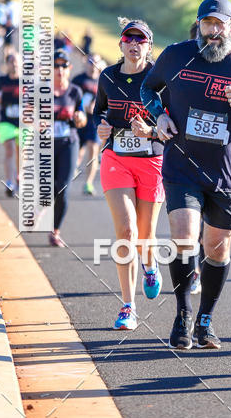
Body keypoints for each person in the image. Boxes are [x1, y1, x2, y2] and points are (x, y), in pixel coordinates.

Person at [140, 0, 231, 350]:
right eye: (207, 24)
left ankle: (205, 319)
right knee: (184, 238)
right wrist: (160, 115)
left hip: (226, 173)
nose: (213, 32)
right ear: (198, 25)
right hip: (182, 166)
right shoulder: (175, 55)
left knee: (217, 248)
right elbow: (147, 87)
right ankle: (183, 314)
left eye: (219, 24)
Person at [95, 20, 165, 330]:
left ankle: (149, 264)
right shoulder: (108, 77)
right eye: (129, 38)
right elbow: (100, 111)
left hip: (151, 160)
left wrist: (151, 132)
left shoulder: (159, 81)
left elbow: (170, 125)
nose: (134, 44)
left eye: (141, 40)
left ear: (149, 47)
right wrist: (100, 127)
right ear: (121, 44)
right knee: (126, 231)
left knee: (145, 236)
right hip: (116, 158)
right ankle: (128, 306)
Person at [51, 48, 87, 247]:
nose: (59, 70)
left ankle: (55, 230)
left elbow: (81, 118)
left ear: (69, 68)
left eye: (63, 66)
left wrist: (81, 118)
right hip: (45, 145)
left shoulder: (75, 91)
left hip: (68, 143)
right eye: (55, 66)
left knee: (63, 188)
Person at [73, 55, 102, 195]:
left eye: (96, 62)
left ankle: (88, 183)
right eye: (91, 62)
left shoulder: (103, 81)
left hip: (95, 121)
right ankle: (73, 169)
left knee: (93, 149)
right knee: (78, 149)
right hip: (79, 120)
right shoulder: (79, 80)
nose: (93, 65)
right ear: (86, 63)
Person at [0, 51, 21, 196]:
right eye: (12, 62)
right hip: (6, 121)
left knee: (21, 152)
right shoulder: (1, 81)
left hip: (24, 123)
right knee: (10, 149)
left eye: (17, 61)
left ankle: (19, 179)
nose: (15, 64)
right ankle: (9, 181)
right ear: (7, 64)